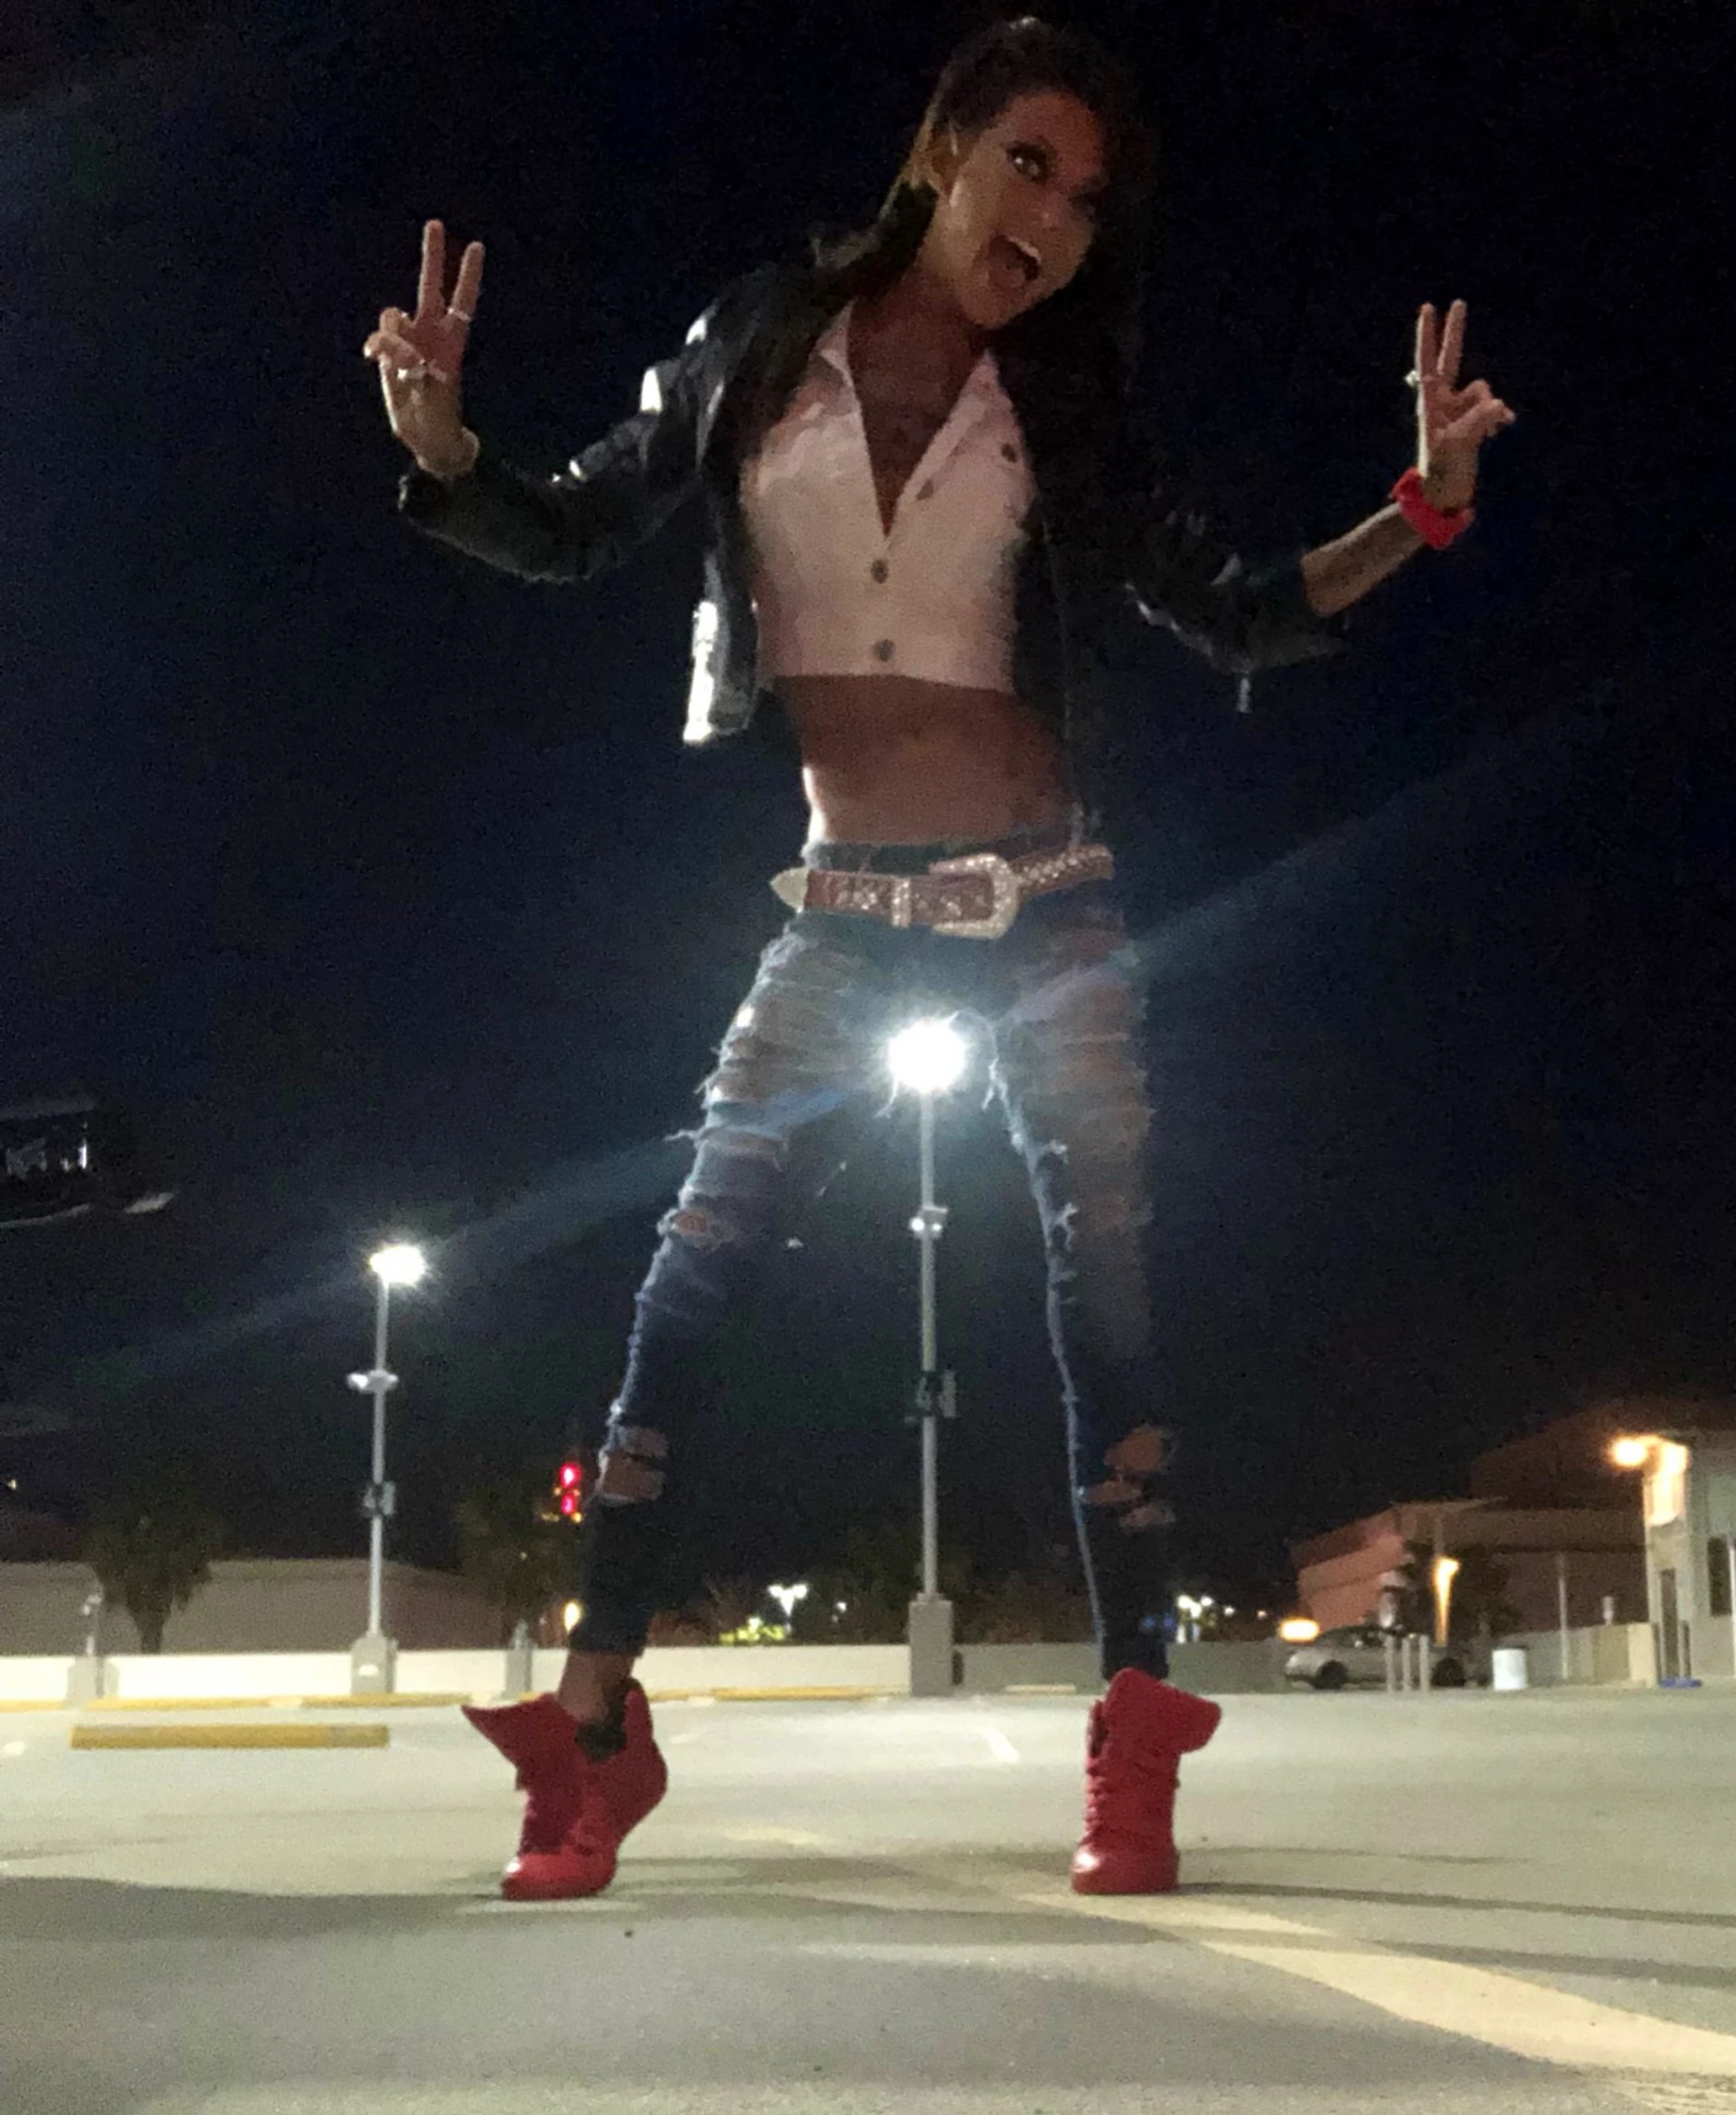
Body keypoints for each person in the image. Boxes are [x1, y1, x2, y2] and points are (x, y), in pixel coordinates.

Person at [363, 17, 1514, 1902]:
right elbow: (574, 528)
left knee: (1103, 1297)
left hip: (1049, 902)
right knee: (694, 1280)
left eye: (1088, 200)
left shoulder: (1060, 400)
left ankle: (1134, 1730)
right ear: (944, 154)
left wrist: (1423, 507)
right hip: (840, 904)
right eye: (1027, 165)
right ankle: (591, 1728)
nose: (1052, 221)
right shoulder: (758, 340)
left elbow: (1233, 611)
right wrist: (445, 452)